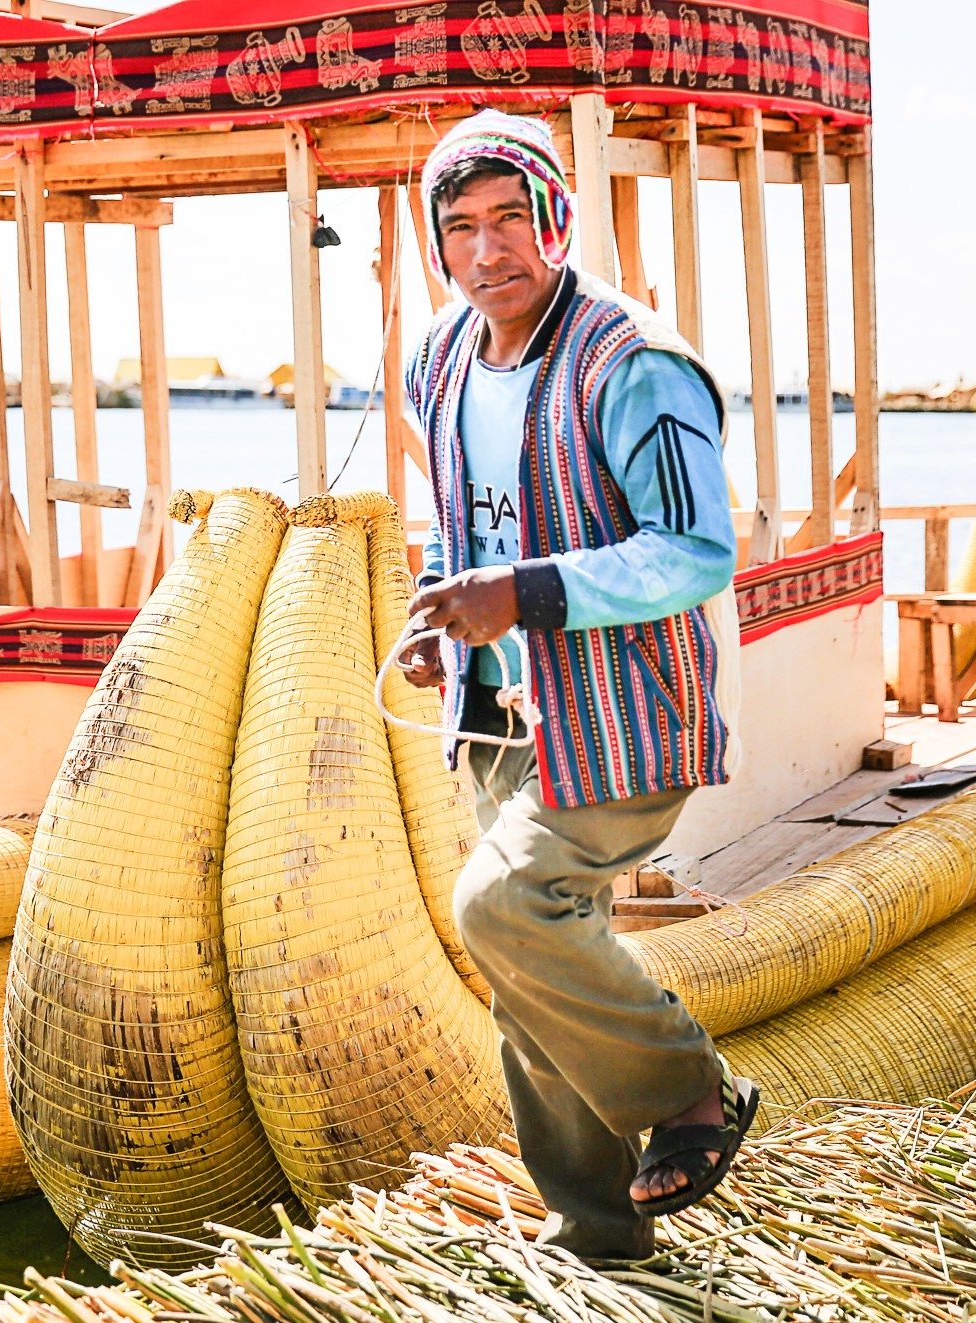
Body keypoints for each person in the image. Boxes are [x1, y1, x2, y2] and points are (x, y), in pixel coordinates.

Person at [396, 108, 759, 1262]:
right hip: (497, 718)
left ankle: (690, 1087)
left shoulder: (635, 363)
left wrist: (524, 595)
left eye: (512, 218)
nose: (489, 250)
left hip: (622, 718)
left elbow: (699, 549)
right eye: (461, 228)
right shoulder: (439, 360)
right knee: (530, 975)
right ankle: (599, 1229)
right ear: (435, 244)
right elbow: (472, 523)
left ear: (556, 217)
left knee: (499, 911)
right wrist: (445, 617)